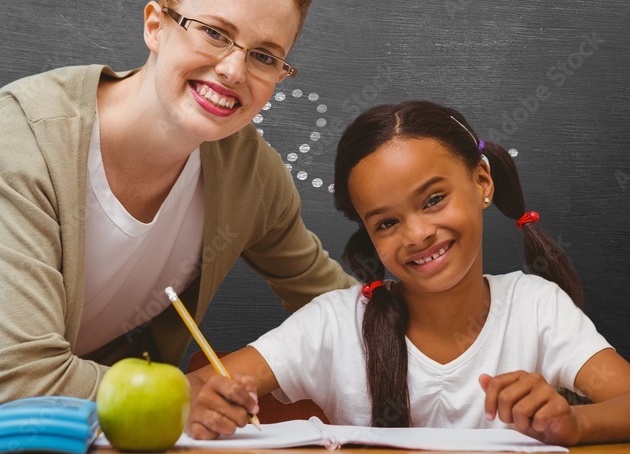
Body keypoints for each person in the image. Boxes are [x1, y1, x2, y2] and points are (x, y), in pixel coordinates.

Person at [0, 0, 354, 453]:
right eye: (216, 32)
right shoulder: (26, 135)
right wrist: (182, 396)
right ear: (155, 25)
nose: (233, 70)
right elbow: (24, 383)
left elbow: (339, 311)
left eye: (265, 56)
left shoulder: (250, 173)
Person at [188, 100, 630, 444]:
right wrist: (202, 401)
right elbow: (196, 386)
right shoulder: (335, 324)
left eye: (433, 199)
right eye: (386, 223)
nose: (417, 234)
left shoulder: (536, 307)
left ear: (482, 182)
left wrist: (573, 421)